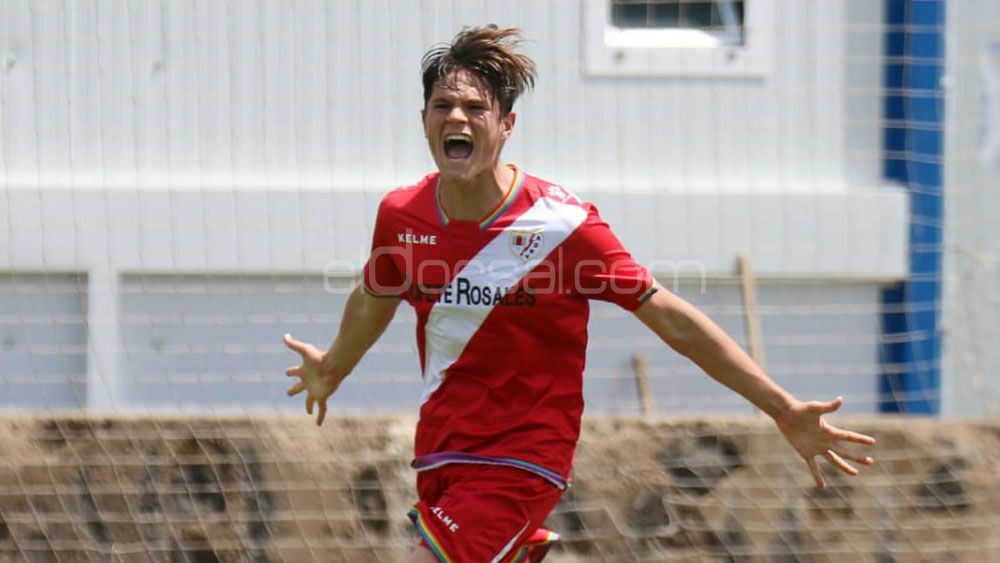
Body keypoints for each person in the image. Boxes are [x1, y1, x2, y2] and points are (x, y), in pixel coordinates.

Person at [282, 25, 876, 563]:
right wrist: (333, 367)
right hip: (442, 450)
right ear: (424, 120)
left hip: (523, 458)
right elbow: (375, 296)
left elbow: (671, 318)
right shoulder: (401, 214)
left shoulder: (561, 225)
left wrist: (780, 406)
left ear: (506, 126)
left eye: (475, 107)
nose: (457, 117)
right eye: (443, 106)